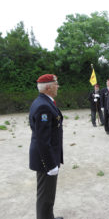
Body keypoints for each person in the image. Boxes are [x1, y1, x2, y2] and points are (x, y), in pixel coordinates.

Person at [29, 74, 63, 219]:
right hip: (45, 159)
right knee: (45, 196)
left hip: (48, 156)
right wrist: (50, 165)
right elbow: (43, 140)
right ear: (48, 87)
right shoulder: (43, 105)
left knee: (48, 195)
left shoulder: (44, 101)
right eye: (56, 84)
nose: (58, 86)